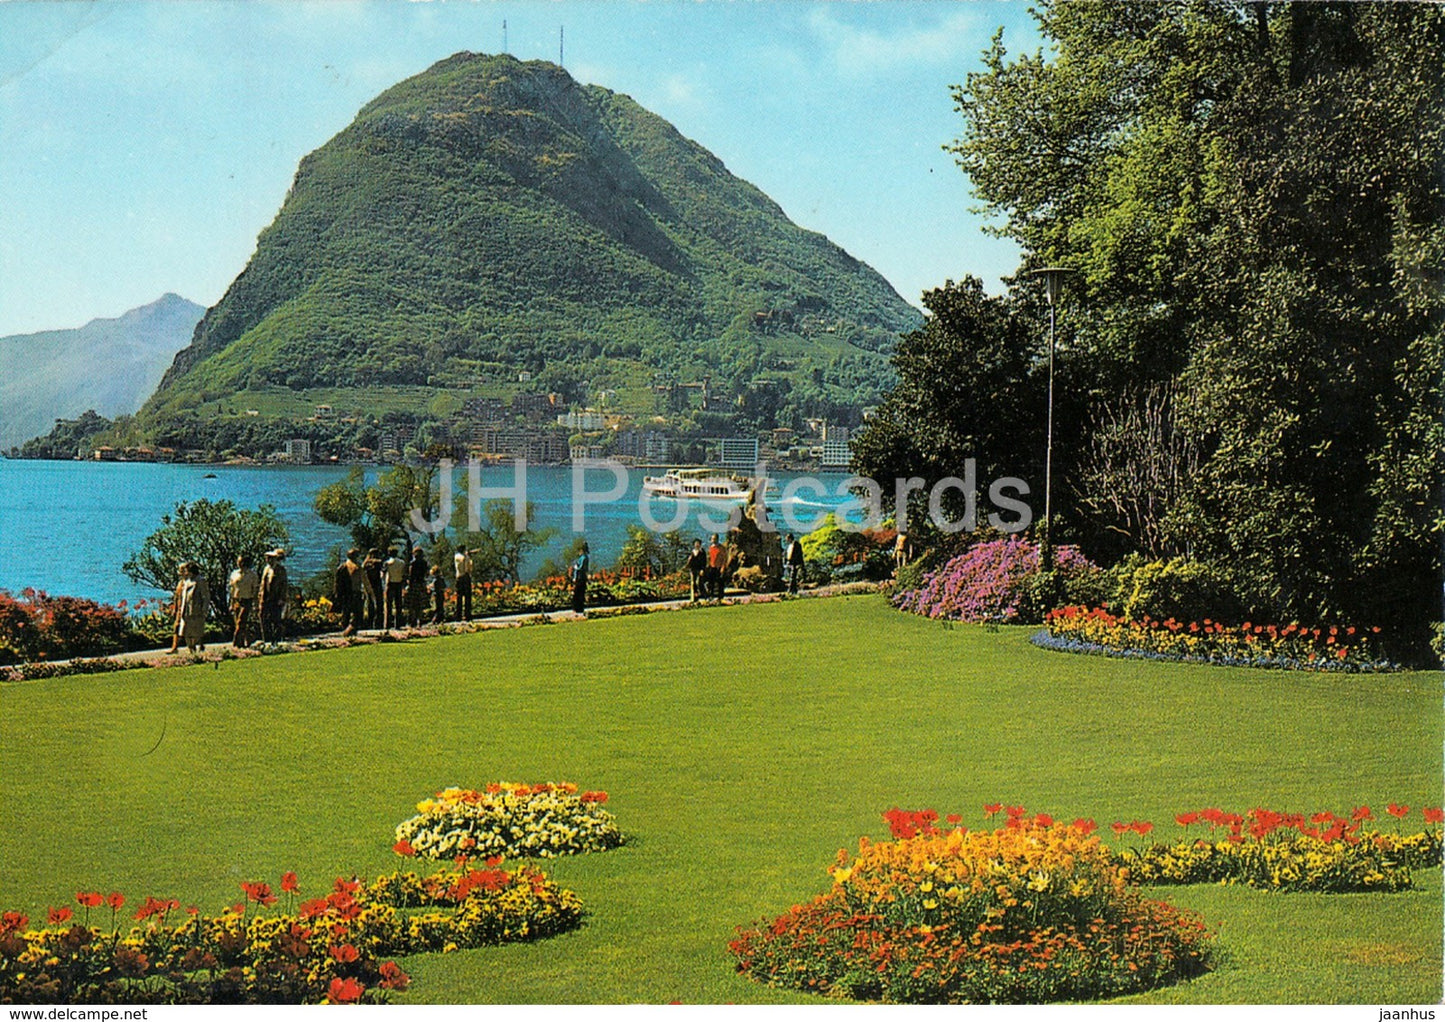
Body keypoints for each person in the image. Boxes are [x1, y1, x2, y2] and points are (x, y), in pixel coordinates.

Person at [174, 562, 209, 654]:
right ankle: (191, 648)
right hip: (185, 610)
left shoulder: (200, 581)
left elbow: (205, 596)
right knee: (185, 631)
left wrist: (204, 609)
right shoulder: (186, 582)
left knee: (196, 631)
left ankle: (196, 647)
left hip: (196, 610)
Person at [228, 553, 260, 648]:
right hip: (237, 600)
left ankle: (235, 642)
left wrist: (255, 603)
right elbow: (232, 589)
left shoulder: (252, 575)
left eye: (240, 561)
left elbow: (255, 589)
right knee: (238, 623)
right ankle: (245, 640)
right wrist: (231, 603)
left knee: (241, 622)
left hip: (247, 600)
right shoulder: (234, 574)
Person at [259, 548, 289, 646]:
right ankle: (266, 640)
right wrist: (260, 597)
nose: (268, 560)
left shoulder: (281, 570)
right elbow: (262, 584)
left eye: (270, 558)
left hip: (276, 599)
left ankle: (276, 640)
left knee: (276, 619)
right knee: (263, 618)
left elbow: (284, 585)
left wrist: (282, 598)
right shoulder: (266, 569)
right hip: (265, 598)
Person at [335, 549, 361, 636]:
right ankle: (348, 629)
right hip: (351, 592)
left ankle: (348, 629)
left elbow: (337, 582)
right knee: (354, 612)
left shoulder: (342, 567)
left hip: (347, 592)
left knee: (347, 611)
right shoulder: (356, 567)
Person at [382, 547, 407, 629]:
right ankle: (398, 624)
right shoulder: (402, 563)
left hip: (390, 584)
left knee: (388, 605)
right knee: (398, 605)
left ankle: (387, 624)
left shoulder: (387, 563)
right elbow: (404, 574)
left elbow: (383, 574)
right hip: (398, 583)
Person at [407, 546, 430, 627]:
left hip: (414, 584)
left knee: (413, 604)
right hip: (422, 583)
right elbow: (427, 574)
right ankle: (420, 620)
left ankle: (412, 621)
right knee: (420, 604)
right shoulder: (424, 563)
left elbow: (410, 575)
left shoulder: (412, 563)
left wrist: (409, 585)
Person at [362, 548, 384, 628]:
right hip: (376, 585)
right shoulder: (378, 562)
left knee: (370, 604)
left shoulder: (366, 564)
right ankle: (378, 623)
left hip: (369, 586)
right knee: (379, 604)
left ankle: (370, 623)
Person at [453, 545, 473, 622]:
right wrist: (467, 555)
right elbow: (462, 560)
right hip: (460, 577)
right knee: (459, 597)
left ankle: (468, 615)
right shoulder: (457, 556)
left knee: (468, 597)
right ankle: (458, 615)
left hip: (466, 576)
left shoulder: (465, 556)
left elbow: (469, 566)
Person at [569, 541, 589, 616]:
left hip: (581, 577)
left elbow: (580, 568)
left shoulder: (584, 558)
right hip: (580, 577)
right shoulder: (582, 558)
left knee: (578, 593)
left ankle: (578, 608)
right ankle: (578, 608)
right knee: (579, 593)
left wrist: (575, 567)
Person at [686, 538, 707, 603]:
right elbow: (689, 561)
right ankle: (694, 597)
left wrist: (702, 569)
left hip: (699, 569)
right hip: (693, 569)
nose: (697, 545)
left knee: (699, 582)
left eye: (698, 543)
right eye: (696, 543)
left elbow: (704, 562)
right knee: (693, 583)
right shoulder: (692, 552)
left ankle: (704, 595)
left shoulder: (702, 552)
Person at [706, 534, 726, 601]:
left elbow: (724, 558)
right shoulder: (710, 548)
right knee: (711, 582)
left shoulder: (721, 548)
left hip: (719, 567)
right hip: (712, 567)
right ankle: (711, 596)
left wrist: (723, 567)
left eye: (715, 539)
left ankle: (720, 597)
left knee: (720, 582)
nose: (713, 540)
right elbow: (709, 558)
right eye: (712, 539)